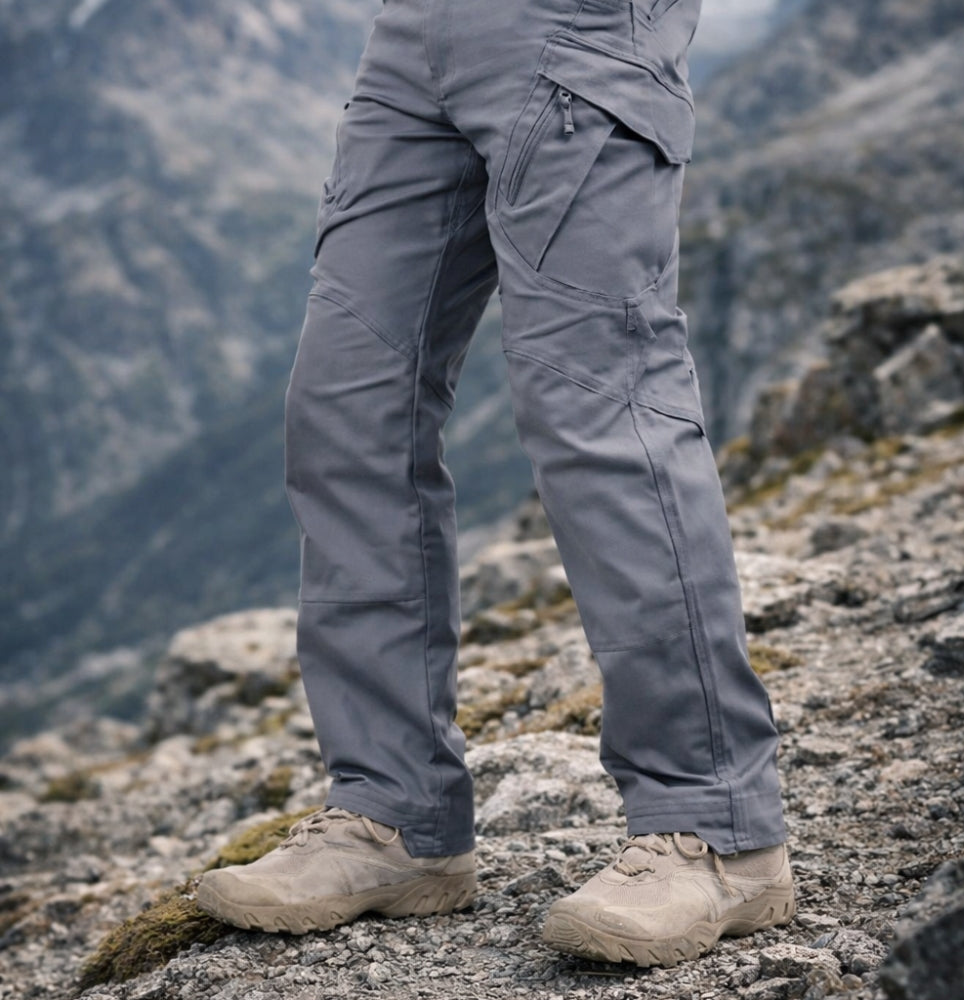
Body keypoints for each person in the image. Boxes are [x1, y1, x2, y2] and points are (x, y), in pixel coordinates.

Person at [197, 0, 795, 967]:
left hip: (580, 29)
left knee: (601, 409)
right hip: (412, 38)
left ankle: (717, 824)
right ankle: (395, 816)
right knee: (347, 408)